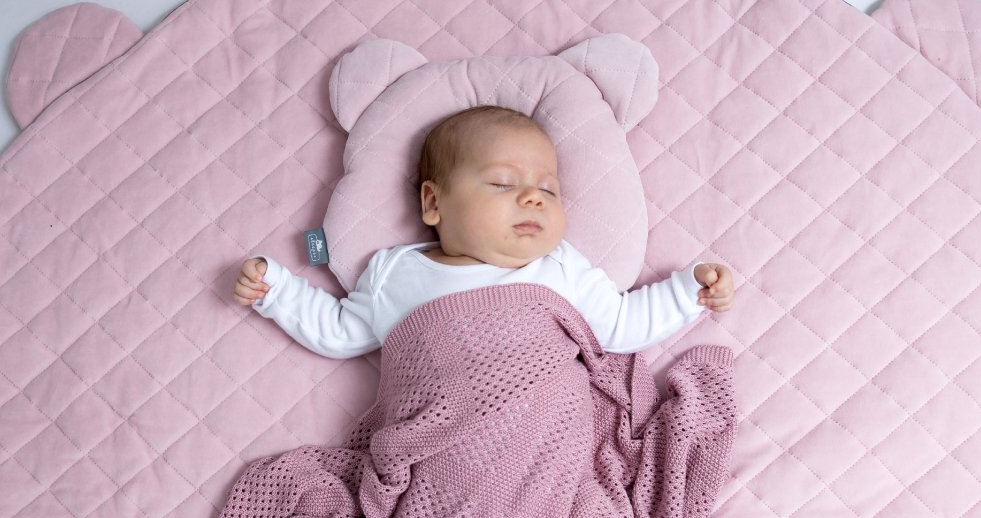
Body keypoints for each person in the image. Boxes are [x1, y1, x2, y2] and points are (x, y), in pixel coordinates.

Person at [233, 105, 734, 357]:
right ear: (434, 203)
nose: (534, 198)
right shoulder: (395, 273)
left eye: (549, 189)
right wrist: (275, 290)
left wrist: (688, 291)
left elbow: (622, 325)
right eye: (502, 183)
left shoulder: (560, 269)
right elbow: (341, 331)